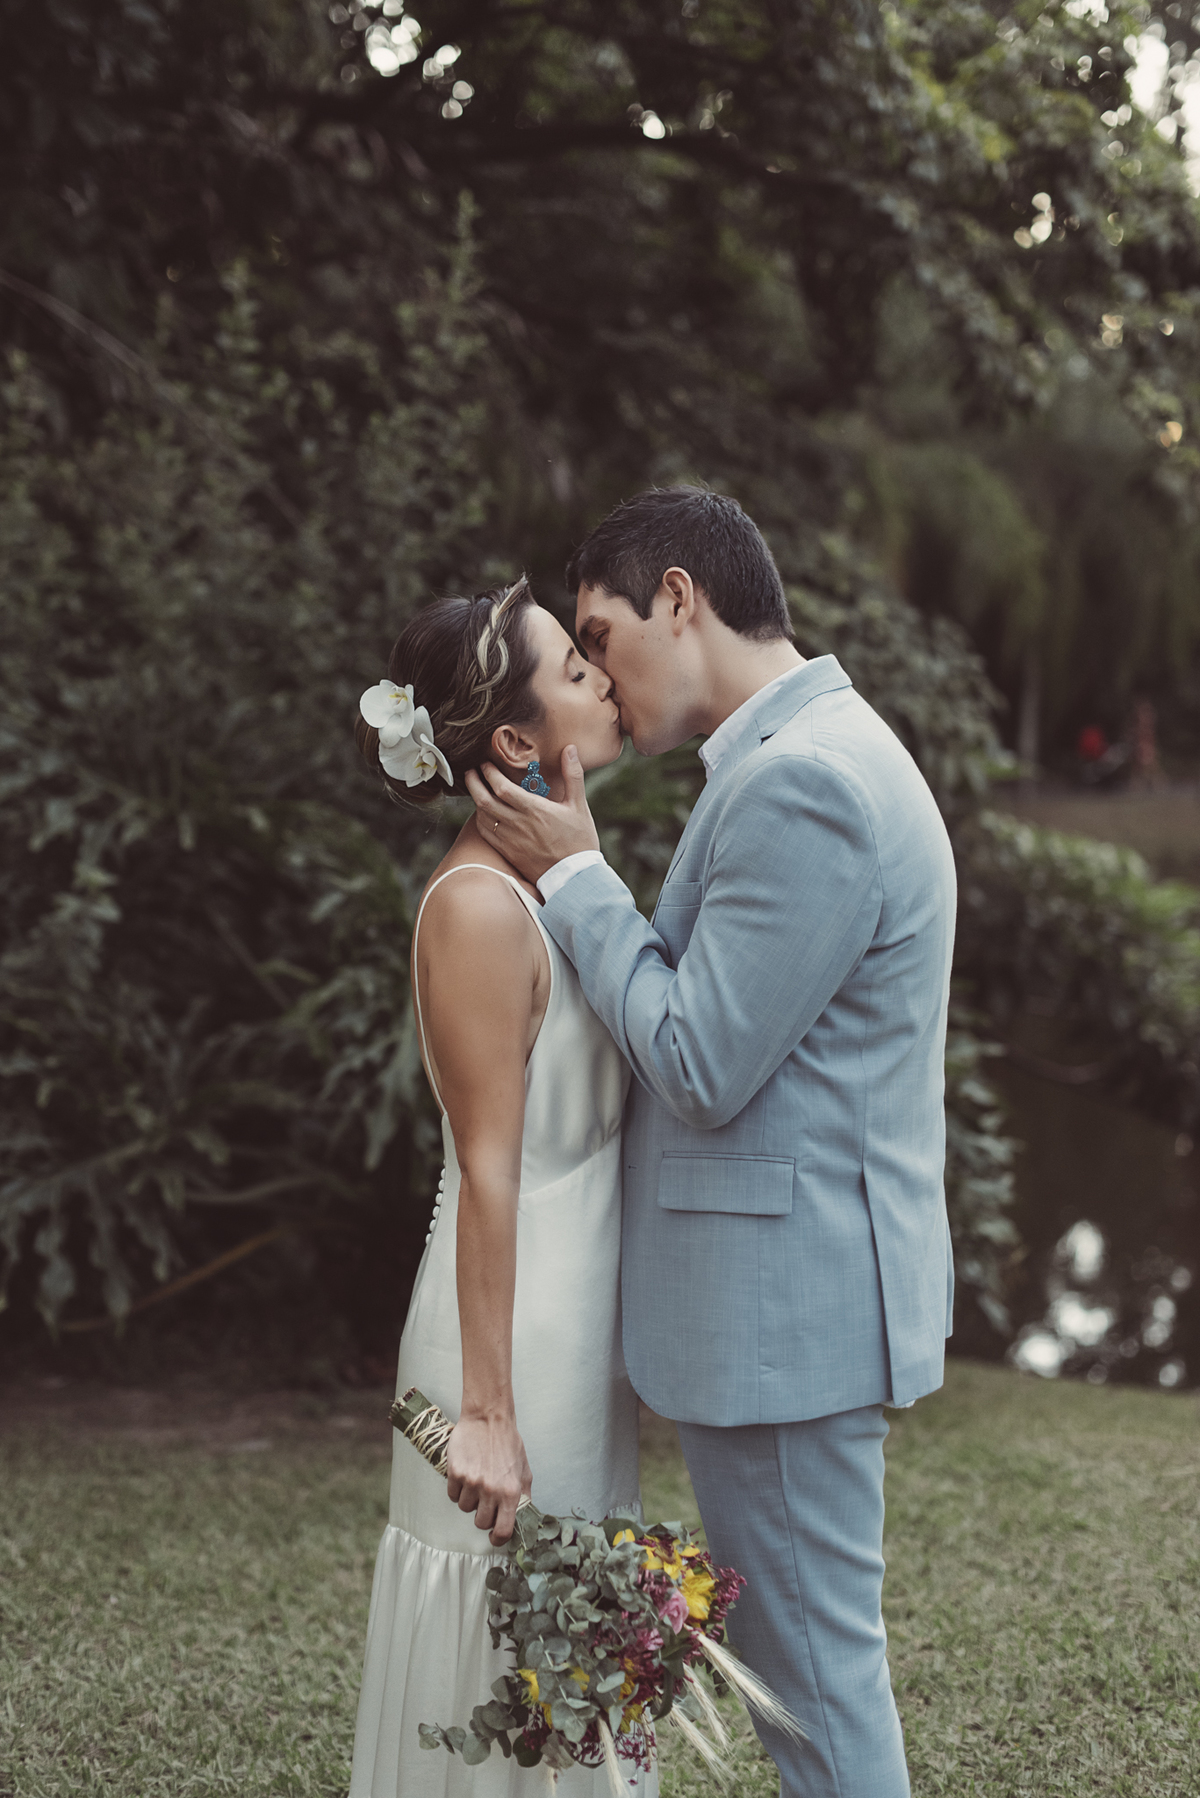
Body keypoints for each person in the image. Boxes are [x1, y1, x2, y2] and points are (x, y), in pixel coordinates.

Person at [466, 487, 958, 1798]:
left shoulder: (808, 784)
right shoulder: (795, 756)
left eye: (600, 629)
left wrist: (575, 875)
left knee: (815, 1691)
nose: (603, 676)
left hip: (789, 1318)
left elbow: (697, 1059)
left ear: (679, 597)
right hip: (789, 1307)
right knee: (804, 1679)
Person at [348, 578, 658, 1798]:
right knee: (502, 1666)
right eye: (575, 672)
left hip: (579, 1335)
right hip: (507, 1341)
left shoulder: (558, 878)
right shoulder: (477, 908)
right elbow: (487, 1166)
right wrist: (484, 1410)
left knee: (572, 1670)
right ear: (517, 741)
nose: (601, 678)